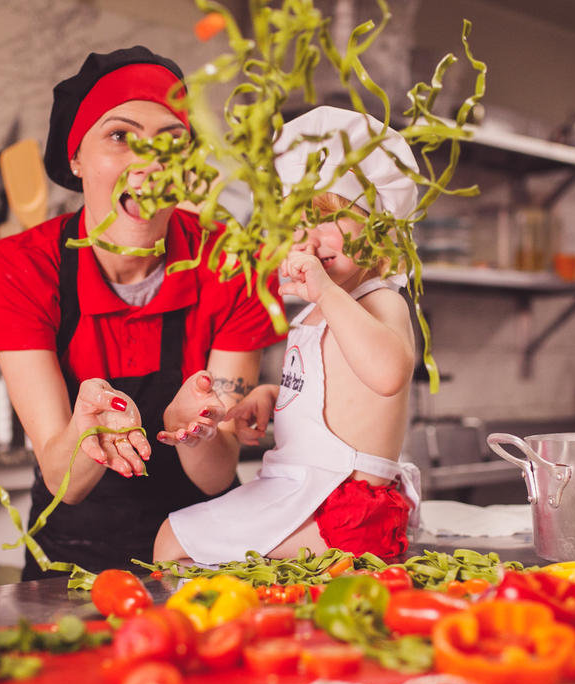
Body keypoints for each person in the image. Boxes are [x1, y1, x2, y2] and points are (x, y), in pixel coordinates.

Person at [0, 47, 284, 579]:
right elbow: (64, 480)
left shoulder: (233, 264)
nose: (151, 163)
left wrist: (200, 430)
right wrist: (86, 429)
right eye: (120, 135)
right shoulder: (21, 268)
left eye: (172, 143)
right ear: (76, 158)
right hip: (73, 568)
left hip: (202, 559)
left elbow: (217, 474)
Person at [154, 106, 422, 565]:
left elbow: (388, 373)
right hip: (309, 494)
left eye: (327, 218)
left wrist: (326, 294)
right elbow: (336, 391)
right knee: (174, 537)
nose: (308, 238)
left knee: (177, 541)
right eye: (295, 224)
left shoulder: (381, 302)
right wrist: (273, 396)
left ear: (379, 233)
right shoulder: (321, 310)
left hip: (349, 513)